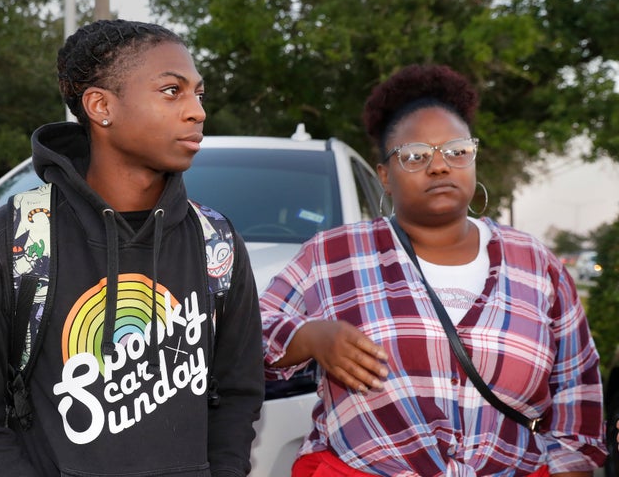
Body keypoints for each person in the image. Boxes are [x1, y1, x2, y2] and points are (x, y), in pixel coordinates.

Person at [0, 20, 264, 476]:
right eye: (172, 91)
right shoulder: (14, 240)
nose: (197, 112)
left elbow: (237, 394)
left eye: (199, 94)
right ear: (100, 106)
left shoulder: (216, 242)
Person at [260, 64, 606, 476]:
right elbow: (246, 334)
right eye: (416, 156)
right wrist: (309, 338)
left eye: (457, 151)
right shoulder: (332, 255)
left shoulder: (535, 263)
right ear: (385, 178)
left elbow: (577, 386)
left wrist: (568, 466)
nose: (440, 166)